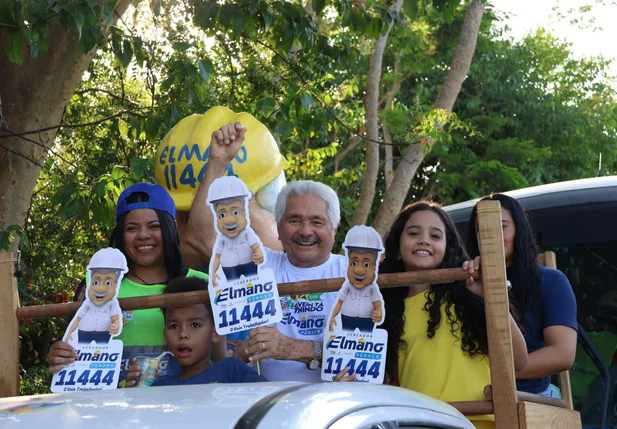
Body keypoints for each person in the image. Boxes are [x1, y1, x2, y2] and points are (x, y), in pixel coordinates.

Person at [186, 122, 353, 382]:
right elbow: (201, 233)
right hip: (267, 411)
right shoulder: (262, 263)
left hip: (329, 412)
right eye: (294, 220)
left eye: (317, 222)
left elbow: (363, 351)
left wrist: (293, 348)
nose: (305, 230)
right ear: (278, 227)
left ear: (335, 228)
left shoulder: (352, 274)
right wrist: (218, 163)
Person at [45, 182, 222, 385]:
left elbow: (221, 358)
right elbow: (74, 352)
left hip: (188, 408)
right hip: (114, 411)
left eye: (154, 226)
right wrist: (60, 356)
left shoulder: (205, 285)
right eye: (132, 228)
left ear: (171, 228)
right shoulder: (95, 286)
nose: (143, 235)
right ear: (120, 233)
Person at [381, 201, 528, 429]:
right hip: (420, 424)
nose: (424, 240)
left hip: (478, 423)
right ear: (397, 250)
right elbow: (396, 382)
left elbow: (519, 359)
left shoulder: (467, 297)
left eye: (436, 235)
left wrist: (488, 296)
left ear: (448, 248)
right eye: (413, 233)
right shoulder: (384, 311)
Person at [467, 194, 577, 398]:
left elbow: (563, 354)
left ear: (519, 229)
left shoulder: (550, 280)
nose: (491, 235)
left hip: (531, 399)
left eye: (502, 226)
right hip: (470, 394)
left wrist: (494, 373)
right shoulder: (468, 280)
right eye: (481, 229)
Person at [125, 277, 266, 386]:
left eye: (195, 325)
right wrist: (136, 394)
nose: (183, 334)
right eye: (174, 326)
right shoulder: (161, 387)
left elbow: (270, 402)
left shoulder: (231, 370)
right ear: (165, 336)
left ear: (215, 333)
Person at [207, 176, 264, 285]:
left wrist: (259, 254)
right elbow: (217, 256)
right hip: (229, 267)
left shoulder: (247, 233)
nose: (229, 220)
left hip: (249, 264)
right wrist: (213, 272)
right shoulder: (221, 238)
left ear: (244, 212)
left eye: (235, 212)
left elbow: (256, 247)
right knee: (234, 289)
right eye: (222, 214)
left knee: (253, 286)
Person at [64, 248, 127, 344]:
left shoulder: (112, 303)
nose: (100, 289)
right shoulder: (87, 292)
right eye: (96, 282)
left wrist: (116, 325)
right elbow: (76, 318)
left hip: (104, 336)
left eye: (108, 282)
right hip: (83, 334)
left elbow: (115, 318)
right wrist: (69, 334)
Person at [329, 225, 384, 333]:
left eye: (366, 264)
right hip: (347, 318)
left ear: (375, 267)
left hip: (367, 320)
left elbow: (377, 304)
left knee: (366, 340)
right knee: (345, 340)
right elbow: (340, 302)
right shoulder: (348, 286)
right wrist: (332, 317)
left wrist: (379, 312)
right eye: (353, 263)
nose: (359, 270)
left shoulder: (372, 288)